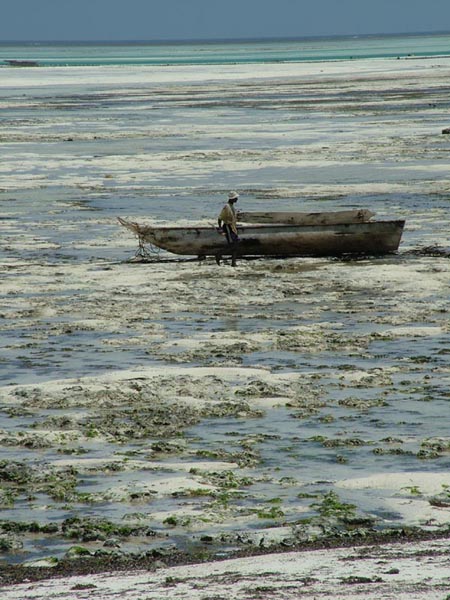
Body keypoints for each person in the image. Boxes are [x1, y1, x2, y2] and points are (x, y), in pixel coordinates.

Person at [217, 191, 239, 266]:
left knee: (235, 245)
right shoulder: (227, 207)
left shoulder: (232, 206)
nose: (237, 199)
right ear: (232, 199)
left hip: (232, 227)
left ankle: (233, 262)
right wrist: (220, 228)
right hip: (228, 227)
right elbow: (220, 218)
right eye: (235, 198)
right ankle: (219, 254)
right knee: (232, 245)